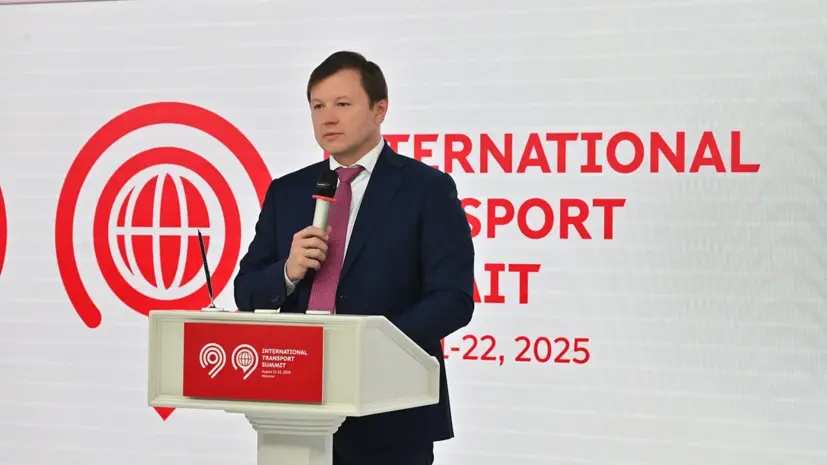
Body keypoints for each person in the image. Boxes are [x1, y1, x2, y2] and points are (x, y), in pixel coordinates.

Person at [233, 51, 475, 465]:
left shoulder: (426, 189)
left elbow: (452, 299)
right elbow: (246, 290)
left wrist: (369, 348)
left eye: (342, 104)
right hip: (293, 410)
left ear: (380, 109)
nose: (328, 118)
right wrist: (287, 272)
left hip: (390, 411)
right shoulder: (286, 192)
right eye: (317, 106)